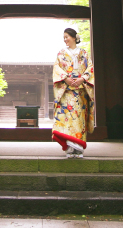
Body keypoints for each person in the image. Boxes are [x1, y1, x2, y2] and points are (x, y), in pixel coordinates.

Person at [52, 27, 94, 158]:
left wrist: (82, 78)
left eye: (67, 37)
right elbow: (57, 68)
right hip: (66, 91)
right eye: (64, 37)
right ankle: (70, 149)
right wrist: (66, 79)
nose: (65, 39)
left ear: (74, 37)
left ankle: (79, 149)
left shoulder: (84, 53)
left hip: (80, 91)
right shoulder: (61, 53)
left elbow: (90, 68)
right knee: (67, 118)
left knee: (79, 118)